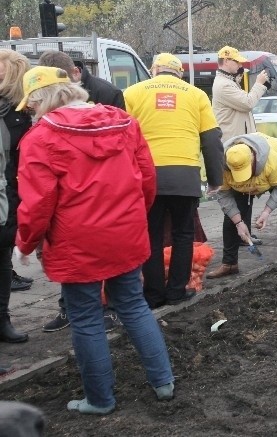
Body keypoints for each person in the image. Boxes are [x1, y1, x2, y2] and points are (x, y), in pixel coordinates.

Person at [14, 66, 174, 414]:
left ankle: (100, 399)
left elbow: (38, 202)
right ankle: (163, 382)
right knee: (133, 305)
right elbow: (147, 180)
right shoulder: (124, 122)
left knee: (85, 317)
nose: (30, 112)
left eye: (30, 106)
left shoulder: (41, 139)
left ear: (40, 100)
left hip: (77, 242)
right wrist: (132, 219)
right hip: (125, 232)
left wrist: (26, 242)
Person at [124, 53, 224, 309]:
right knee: (183, 234)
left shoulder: (133, 93)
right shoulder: (196, 95)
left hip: (148, 176)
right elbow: (211, 141)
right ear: (179, 73)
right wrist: (215, 179)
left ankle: (154, 294)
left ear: (154, 70)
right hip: (185, 175)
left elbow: (122, 137)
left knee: (151, 234)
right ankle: (177, 291)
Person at [37, 49, 126, 332]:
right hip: (89, 208)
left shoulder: (107, 94)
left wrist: (27, 240)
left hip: (96, 203)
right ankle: (70, 309)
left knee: (98, 305)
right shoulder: (44, 124)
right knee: (123, 301)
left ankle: (108, 310)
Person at [208, 133, 277, 280]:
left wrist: (266, 211)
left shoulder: (273, 161)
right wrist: (239, 223)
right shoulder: (222, 166)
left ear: (253, 158)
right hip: (245, 184)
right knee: (231, 219)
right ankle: (229, 264)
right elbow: (224, 195)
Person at [0, 50, 31, 344]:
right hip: (7, 188)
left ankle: (2, 319)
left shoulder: (20, 111)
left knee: (3, 259)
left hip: (11, 190)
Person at [212, 45, 270, 142]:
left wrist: (237, 78)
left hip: (235, 140)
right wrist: (259, 83)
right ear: (226, 61)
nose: (240, 65)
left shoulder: (228, 82)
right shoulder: (224, 85)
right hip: (232, 143)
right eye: (237, 62)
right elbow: (248, 103)